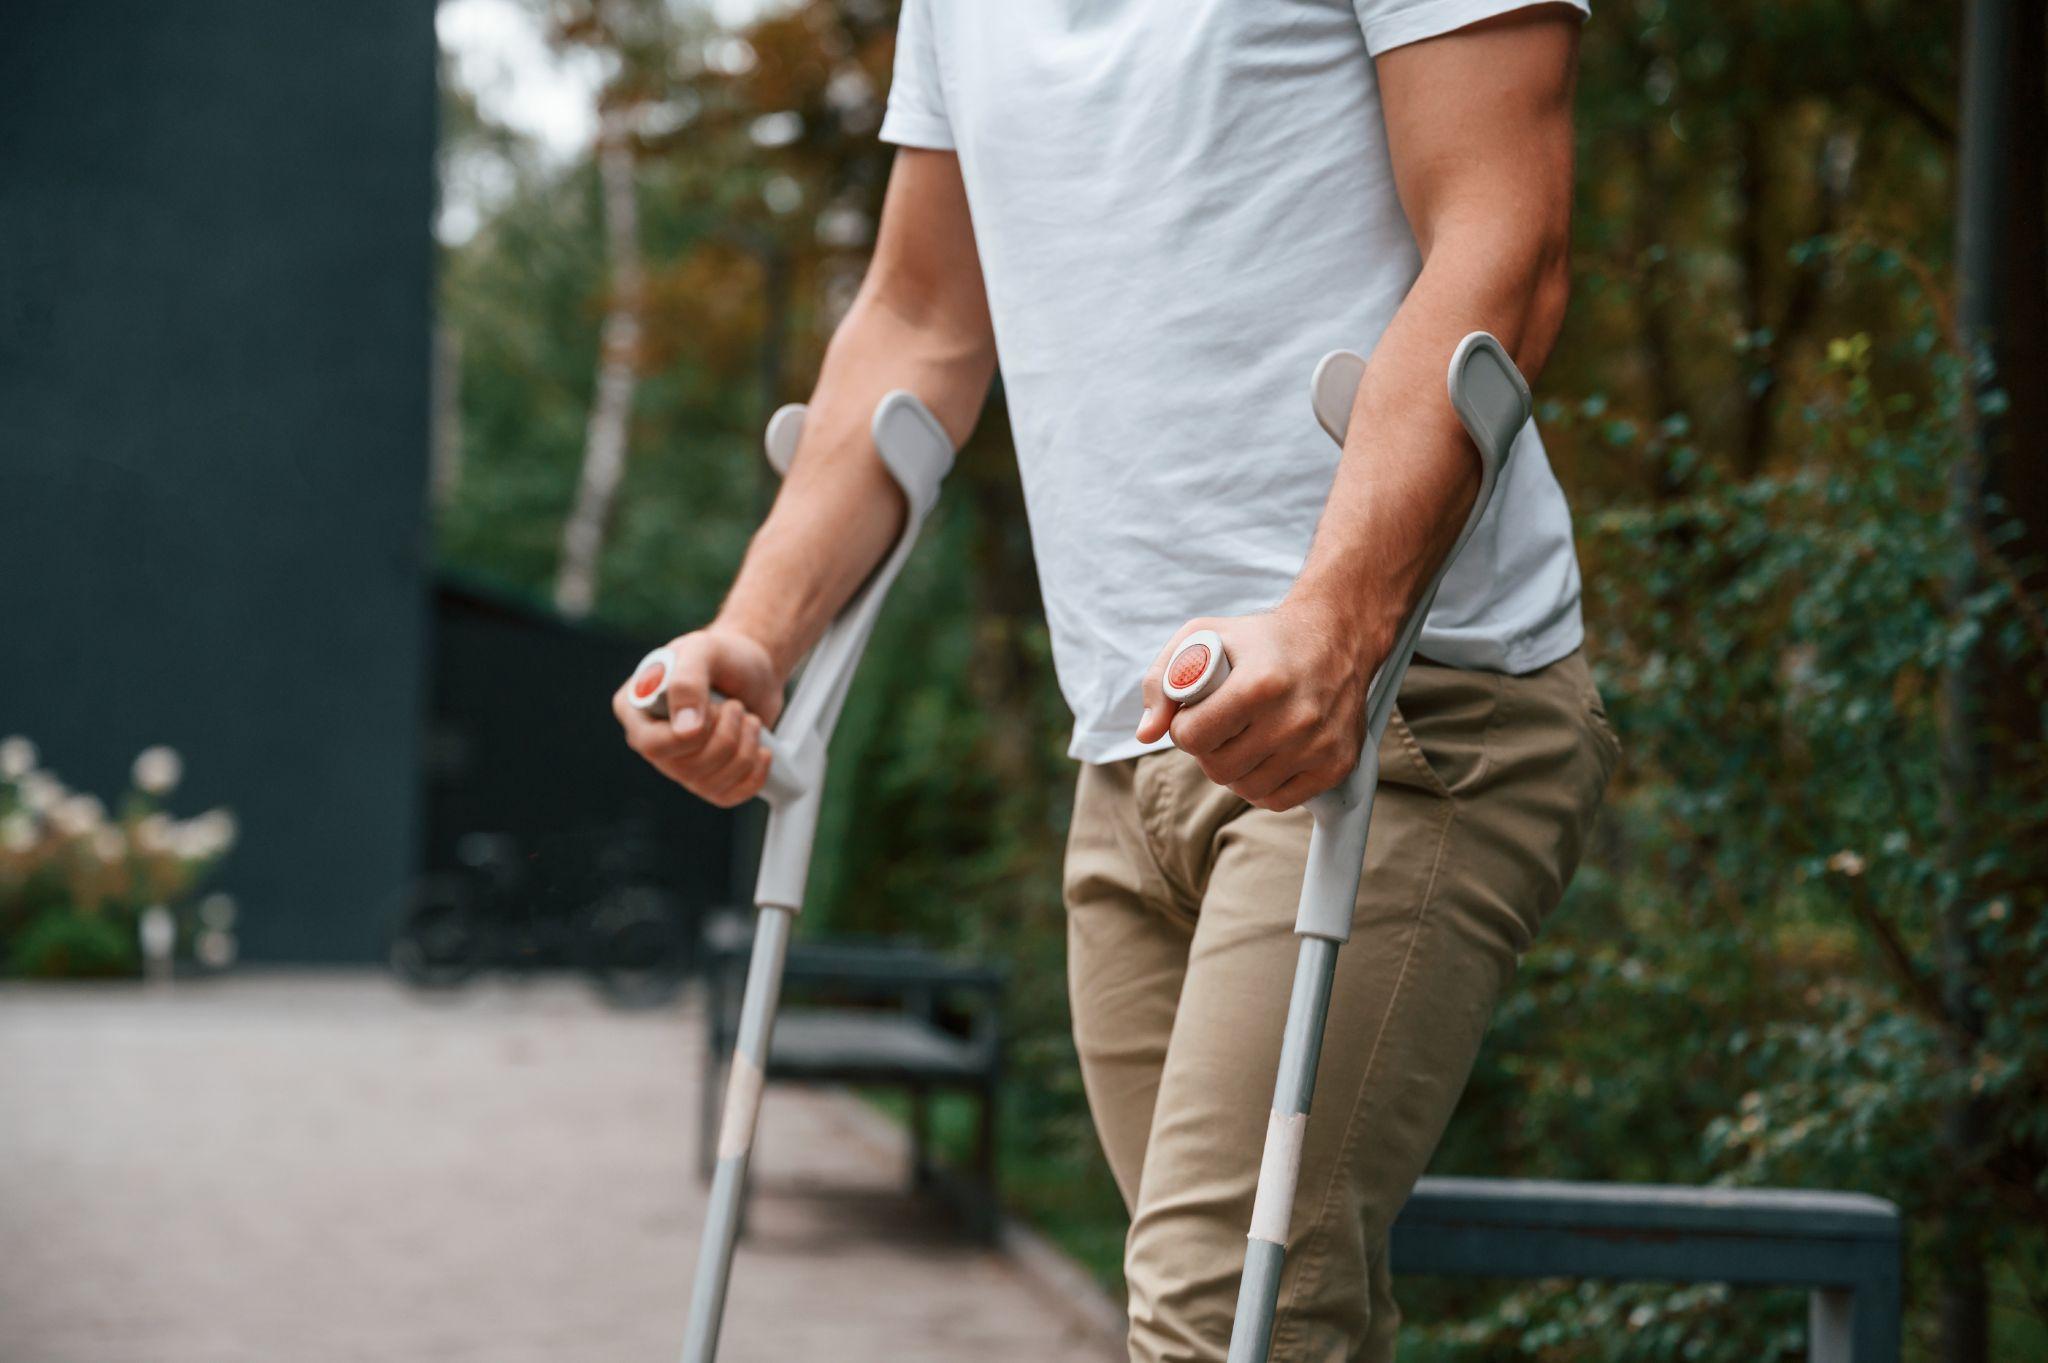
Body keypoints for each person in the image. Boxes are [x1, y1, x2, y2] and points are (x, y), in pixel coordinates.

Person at [615, 3, 1617, 1358]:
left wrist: (1335, 624)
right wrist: (758, 632)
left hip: (1407, 710)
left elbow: (1506, 243)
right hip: (1130, 750)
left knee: (1218, 1325)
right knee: (1276, 1321)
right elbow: (919, 319)